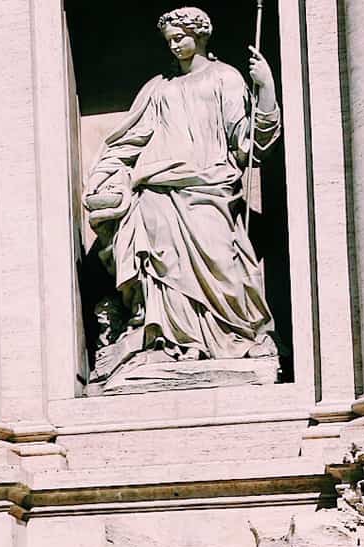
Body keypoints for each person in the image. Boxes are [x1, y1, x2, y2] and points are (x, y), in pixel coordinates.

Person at [82, 7, 281, 382]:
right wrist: (106, 176)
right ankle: (167, 343)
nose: (174, 45)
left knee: (221, 258)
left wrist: (266, 87)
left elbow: (248, 143)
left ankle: (235, 335)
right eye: (169, 40)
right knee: (160, 266)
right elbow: (127, 140)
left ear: (201, 35)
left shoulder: (226, 78)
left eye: (180, 37)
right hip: (157, 191)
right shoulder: (159, 88)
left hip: (209, 188)